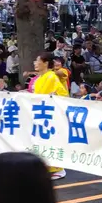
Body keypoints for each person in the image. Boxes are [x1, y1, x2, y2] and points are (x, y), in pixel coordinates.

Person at [31, 52, 69, 181]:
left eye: (37, 60)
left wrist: (54, 96)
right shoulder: (40, 78)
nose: (35, 63)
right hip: (41, 114)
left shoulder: (52, 76)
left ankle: (59, 168)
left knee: (51, 141)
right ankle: (46, 167)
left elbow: (63, 94)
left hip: (50, 115)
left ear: (46, 63)